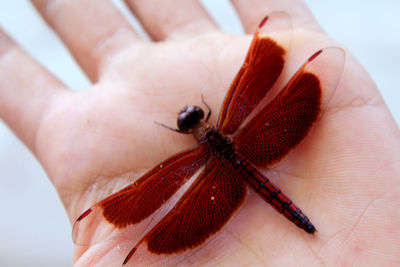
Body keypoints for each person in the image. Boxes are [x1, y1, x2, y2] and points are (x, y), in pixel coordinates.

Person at [0, 0, 399, 266]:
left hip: (223, 174)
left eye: (190, 118)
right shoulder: (227, 124)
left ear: (190, 128)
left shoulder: (195, 157)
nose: (192, 119)